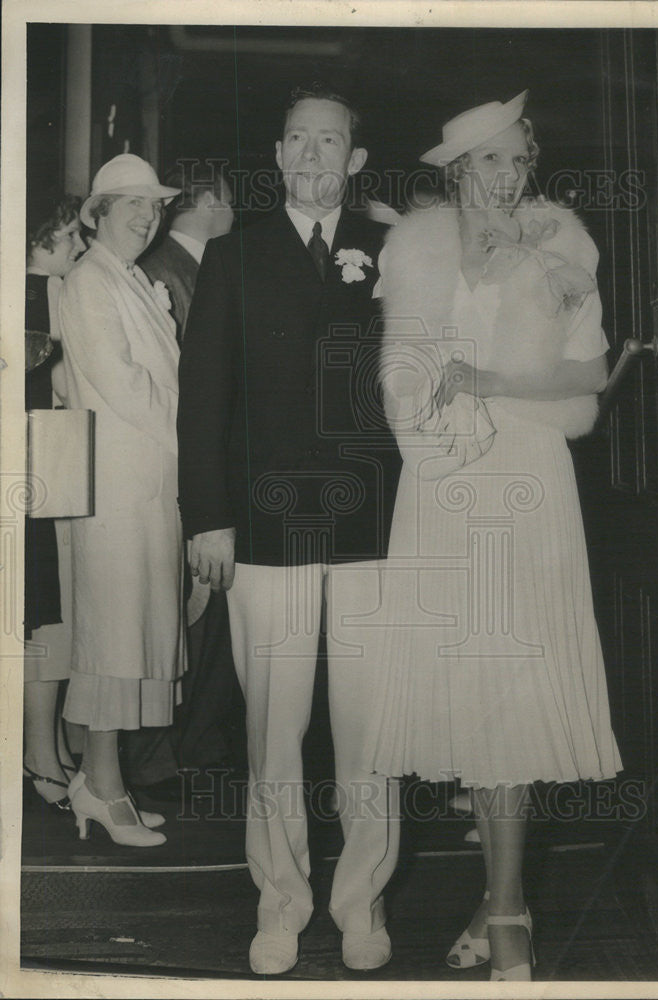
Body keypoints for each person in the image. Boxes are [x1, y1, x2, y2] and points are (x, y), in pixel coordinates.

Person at [365, 90, 622, 981]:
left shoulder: (563, 242)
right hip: (440, 484)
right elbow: (397, 374)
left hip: (527, 472)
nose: (509, 177)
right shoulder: (417, 248)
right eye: (490, 162)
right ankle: (498, 893)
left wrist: (493, 378)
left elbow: (590, 371)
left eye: (519, 159)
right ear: (457, 171)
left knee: (517, 687)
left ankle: (508, 909)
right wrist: (429, 410)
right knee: (469, 694)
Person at [177, 84, 403, 974]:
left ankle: (362, 903)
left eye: (330, 142)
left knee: (369, 732)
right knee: (273, 728)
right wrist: (209, 521)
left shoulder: (392, 252)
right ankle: (280, 903)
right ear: (276, 157)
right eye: (297, 141)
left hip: (371, 528)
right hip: (264, 532)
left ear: (352, 161)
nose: (312, 156)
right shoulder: (232, 258)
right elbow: (203, 406)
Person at [58, 154, 185, 847]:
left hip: (145, 482)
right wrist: (193, 433)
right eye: (131, 204)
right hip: (114, 486)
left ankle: (105, 781)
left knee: (131, 631)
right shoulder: (87, 282)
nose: (146, 215)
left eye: (154, 206)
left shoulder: (132, 279)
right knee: (111, 635)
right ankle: (100, 786)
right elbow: (123, 383)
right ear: (98, 212)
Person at [122, 160, 238, 796]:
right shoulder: (168, 268)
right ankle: (162, 754)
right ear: (214, 199)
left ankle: (194, 745)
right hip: (180, 468)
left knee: (204, 609)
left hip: (203, 468)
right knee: (182, 611)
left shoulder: (179, 265)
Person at [23, 193, 85, 811]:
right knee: (46, 609)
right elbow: (67, 387)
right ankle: (41, 754)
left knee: (42, 608)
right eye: (68, 236)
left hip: (38, 459)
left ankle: (48, 750)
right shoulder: (45, 292)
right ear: (38, 242)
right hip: (47, 458)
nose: (80, 246)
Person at [141, 161, 234, 343]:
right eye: (229, 203)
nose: (233, 214)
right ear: (209, 201)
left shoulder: (201, 265)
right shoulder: (158, 274)